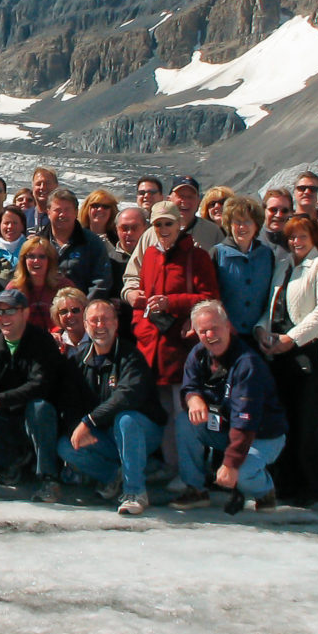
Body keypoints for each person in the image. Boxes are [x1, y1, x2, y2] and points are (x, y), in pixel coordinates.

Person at [125, 200, 219, 469]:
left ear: (180, 223)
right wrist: (139, 327)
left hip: (182, 347)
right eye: (158, 224)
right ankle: (173, 468)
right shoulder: (151, 256)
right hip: (153, 346)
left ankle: (192, 475)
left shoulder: (197, 257)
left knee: (185, 416)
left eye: (168, 223)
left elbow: (210, 297)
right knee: (164, 413)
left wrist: (172, 303)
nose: (164, 229)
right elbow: (142, 295)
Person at [255, 214, 318, 506]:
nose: (296, 241)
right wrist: (261, 331)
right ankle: (285, 481)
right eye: (292, 237)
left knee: (307, 422)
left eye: (302, 236)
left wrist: (292, 338)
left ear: (314, 238)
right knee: (285, 420)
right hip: (279, 354)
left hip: (309, 354)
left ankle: (309, 487)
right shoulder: (283, 266)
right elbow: (271, 306)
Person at [172, 301, 287, 513]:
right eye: (203, 331)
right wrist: (193, 397)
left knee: (241, 473)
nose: (210, 335)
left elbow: (246, 420)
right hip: (227, 429)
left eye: (214, 328)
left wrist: (231, 463)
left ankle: (265, 491)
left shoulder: (247, 363)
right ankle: (196, 490)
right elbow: (189, 386)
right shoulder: (197, 355)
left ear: (227, 326)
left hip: (261, 435)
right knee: (184, 421)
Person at [57, 299, 167, 515]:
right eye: (94, 321)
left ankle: (135, 492)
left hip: (142, 432)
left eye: (106, 319)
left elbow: (126, 396)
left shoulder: (130, 356)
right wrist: (76, 428)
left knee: (125, 418)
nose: (100, 325)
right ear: (86, 326)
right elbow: (68, 404)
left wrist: (89, 421)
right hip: (105, 436)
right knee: (66, 446)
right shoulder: (78, 362)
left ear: (116, 323)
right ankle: (115, 475)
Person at [0, 289, 61, 494]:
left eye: (10, 311)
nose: (3, 317)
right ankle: (14, 461)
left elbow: (40, 385)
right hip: (7, 421)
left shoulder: (42, 341)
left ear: (25, 313)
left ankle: (48, 478)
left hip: (37, 419)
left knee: (39, 408)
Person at [211, 196, 275, 341]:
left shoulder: (266, 254)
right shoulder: (217, 253)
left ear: (256, 225)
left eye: (247, 221)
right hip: (226, 335)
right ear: (229, 224)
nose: (242, 227)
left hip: (258, 336)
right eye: (237, 222)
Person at [37, 187, 112, 298]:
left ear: (76, 212)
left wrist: (84, 308)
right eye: (57, 210)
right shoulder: (37, 243)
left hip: (81, 310)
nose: (62, 214)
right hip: (43, 309)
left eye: (67, 210)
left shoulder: (92, 242)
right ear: (48, 212)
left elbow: (101, 282)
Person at [6, 235, 63, 330]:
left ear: (50, 260)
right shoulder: (13, 289)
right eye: (31, 256)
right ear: (24, 260)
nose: (36, 261)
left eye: (42, 256)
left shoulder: (63, 286)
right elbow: (7, 321)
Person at [0, 205, 28, 284]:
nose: (10, 227)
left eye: (15, 223)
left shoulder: (33, 251)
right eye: (6, 223)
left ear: (22, 226)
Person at [50, 287, 89, 355]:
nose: (69, 315)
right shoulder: (54, 340)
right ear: (57, 315)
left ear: (86, 311)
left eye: (75, 310)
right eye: (64, 311)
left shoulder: (97, 337)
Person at [28, 166, 58, 232]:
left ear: (56, 186)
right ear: (33, 188)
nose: (42, 187)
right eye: (38, 184)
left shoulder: (62, 217)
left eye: (47, 183)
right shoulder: (23, 217)